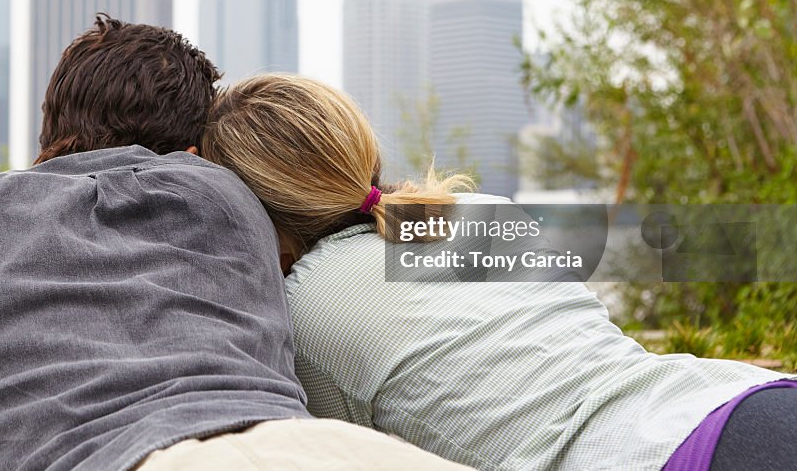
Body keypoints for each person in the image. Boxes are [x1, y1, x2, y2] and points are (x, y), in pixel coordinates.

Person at [0, 18, 469, 471]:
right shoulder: (233, 202)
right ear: (191, 153)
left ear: (46, 134)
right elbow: (568, 247)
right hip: (342, 451)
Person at [200, 73, 797, 471]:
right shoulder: (485, 216)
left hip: (668, 458)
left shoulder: (303, 314)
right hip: (738, 399)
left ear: (251, 210)